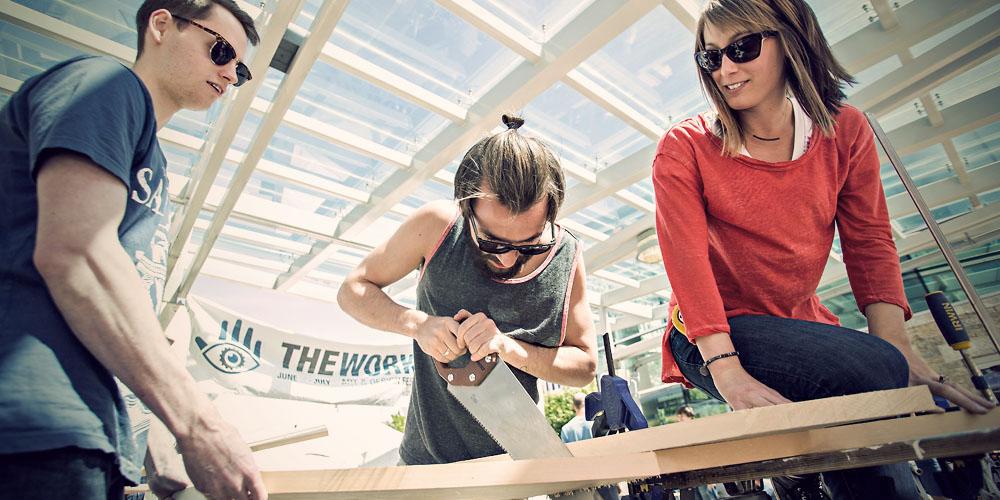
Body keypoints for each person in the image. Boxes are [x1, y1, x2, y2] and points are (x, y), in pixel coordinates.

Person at [651, 0, 994, 498]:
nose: (726, 69)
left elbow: (870, 241)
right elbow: (685, 262)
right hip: (709, 337)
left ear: (791, 40)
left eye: (743, 48)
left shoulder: (846, 130)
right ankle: (799, 470)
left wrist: (898, 349)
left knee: (889, 435)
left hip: (801, 325)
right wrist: (727, 372)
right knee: (872, 373)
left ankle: (799, 473)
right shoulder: (684, 148)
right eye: (711, 57)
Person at [0, 1, 267, 499]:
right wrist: (197, 425)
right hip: (33, 422)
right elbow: (79, 256)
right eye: (221, 50)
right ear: (161, 25)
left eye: (240, 67)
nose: (230, 73)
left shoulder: (152, 159)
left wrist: (152, 431)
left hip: (86, 434)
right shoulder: (106, 85)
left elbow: (124, 305)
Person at [339, 114, 598, 464]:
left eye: (530, 245)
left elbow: (583, 367)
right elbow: (353, 290)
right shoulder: (436, 226)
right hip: (424, 465)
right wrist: (417, 325)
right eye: (491, 243)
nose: (508, 260)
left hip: (517, 467)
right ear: (466, 207)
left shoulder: (568, 256)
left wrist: (508, 348)